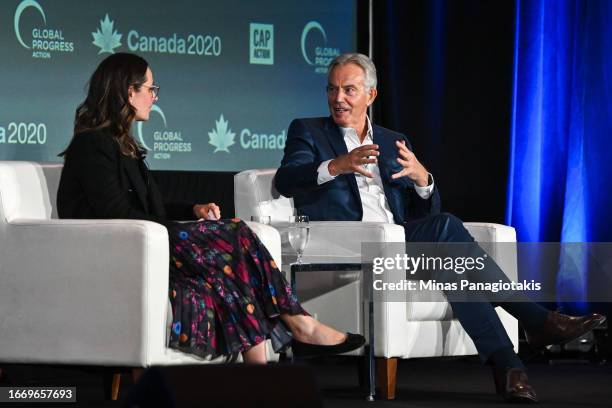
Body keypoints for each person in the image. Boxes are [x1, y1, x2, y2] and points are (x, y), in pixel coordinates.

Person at [275, 53, 606, 402]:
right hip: (349, 245)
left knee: (451, 258)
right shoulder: (308, 131)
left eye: (349, 90)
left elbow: (424, 212)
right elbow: (287, 180)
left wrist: (423, 181)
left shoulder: (392, 140)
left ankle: (509, 365)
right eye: (332, 89)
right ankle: (535, 323)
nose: (338, 98)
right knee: (447, 233)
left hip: (400, 241)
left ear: (371, 95)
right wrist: (338, 165)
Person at [57, 52, 364, 365]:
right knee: (236, 232)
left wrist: (193, 210)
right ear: (128, 92)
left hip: (146, 243)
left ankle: (260, 368)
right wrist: (180, 230)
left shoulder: (122, 144)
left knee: (232, 268)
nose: (154, 97)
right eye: (150, 89)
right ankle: (298, 322)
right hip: (118, 251)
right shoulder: (92, 144)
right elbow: (116, 213)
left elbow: (149, 206)